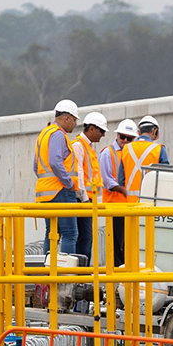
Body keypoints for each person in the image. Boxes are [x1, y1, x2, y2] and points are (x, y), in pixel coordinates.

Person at [34, 99, 82, 257]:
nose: (75, 124)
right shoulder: (58, 135)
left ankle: (49, 276)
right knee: (70, 234)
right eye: (74, 120)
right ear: (66, 118)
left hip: (46, 192)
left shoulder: (44, 134)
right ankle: (66, 277)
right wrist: (68, 183)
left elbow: (36, 166)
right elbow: (55, 161)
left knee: (52, 233)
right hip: (61, 191)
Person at [100, 119, 138, 269]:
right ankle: (117, 279)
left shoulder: (132, 154)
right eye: (122, 137)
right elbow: (107, 181)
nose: (125, 141)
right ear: (117, 136)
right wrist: (125, 191)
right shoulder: (107, 153)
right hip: (114, 206)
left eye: (129, 139)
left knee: (129, 244)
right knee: (116, 245)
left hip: (130, 206)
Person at [71, 111, 107, 266]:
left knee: (86, 238)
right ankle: (81, 273)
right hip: (82, 200)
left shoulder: (88, 147)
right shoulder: (79, 145)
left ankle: (83, 273)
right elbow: (78, 174)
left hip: (88, 200)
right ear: (91, 129)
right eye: (101, 131)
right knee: (84, 238)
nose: (103, 135)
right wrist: (85, 199)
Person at [121, 114, 169, 199]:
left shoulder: (126, 148)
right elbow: (166, 178)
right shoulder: (159, 149)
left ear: (139, 132)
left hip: (130, 203)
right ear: (155, 131)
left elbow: (121, 180)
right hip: (151, 202)